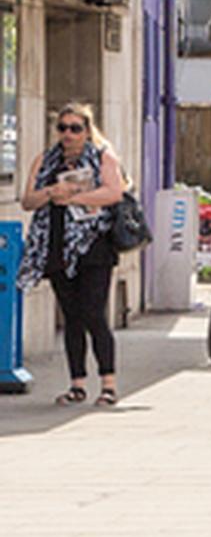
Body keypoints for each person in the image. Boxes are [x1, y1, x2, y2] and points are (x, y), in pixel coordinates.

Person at [17, 103, 128, 407]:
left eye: (75, 128)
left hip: (93, 247)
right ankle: (77, 384)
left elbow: (114, 192)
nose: (68, 134)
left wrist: (75, 197)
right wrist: (52, 193)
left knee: (94, 313)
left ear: (87, 130)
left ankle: (108, 384)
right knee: (72, 317)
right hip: (55, 247)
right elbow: (28, 200)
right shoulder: (45, 160)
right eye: (63, 128)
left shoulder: (102, 156)